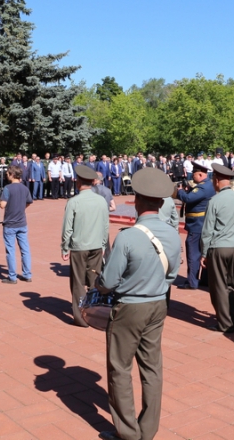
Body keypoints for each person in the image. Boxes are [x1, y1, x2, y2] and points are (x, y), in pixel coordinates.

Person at [96, 168, 181, 440]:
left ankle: (128, 432)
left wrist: (99, 282)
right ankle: (148, 429)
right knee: (152, 367)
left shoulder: (128, 236)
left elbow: (108, 281)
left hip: (130, 307)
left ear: (137, 201)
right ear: (161, 203)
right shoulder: (172, 234)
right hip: (158, 304)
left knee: (120, 368)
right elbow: (172, 274)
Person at [200, 164, 234, 333]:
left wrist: (204, 252)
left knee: (219, 287)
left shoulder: (215, 201)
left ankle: (225, 323)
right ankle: (233, 320)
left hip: (219, 247)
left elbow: (207, 230)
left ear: (216, 180)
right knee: (231, 284)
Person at [61, 165, 110, 327]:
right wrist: (103, 245)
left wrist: (65, 247)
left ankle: (80, 317)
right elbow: (105, 225)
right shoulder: (101, 200)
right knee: (94, 279)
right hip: (96, 245)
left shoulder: (74, 201)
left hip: (79, 246)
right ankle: (94, 310)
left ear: (78, 182)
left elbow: (67, 228)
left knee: (78, 281)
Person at [174, 162, 215, 290]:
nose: (192, 177)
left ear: (201, 174)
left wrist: (180, 191)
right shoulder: (208, 185)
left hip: (197, 225)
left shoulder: (202, 188)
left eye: (194, 175)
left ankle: (192, 282)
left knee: (193, 254)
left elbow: (188, 199)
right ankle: (205, 279)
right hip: (203, 224)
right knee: (204, 252)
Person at [0, 165, 33, 284]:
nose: (6, 176)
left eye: (8, 174)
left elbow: (2, 205)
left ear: (12, 175)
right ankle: (27, 274)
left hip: (10, 223)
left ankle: (12, 277)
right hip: (22, 222)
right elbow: (29, 202)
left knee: (11, 250)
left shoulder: (7, 188)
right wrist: (21, 208)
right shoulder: (25, 188)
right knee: (25, 249)